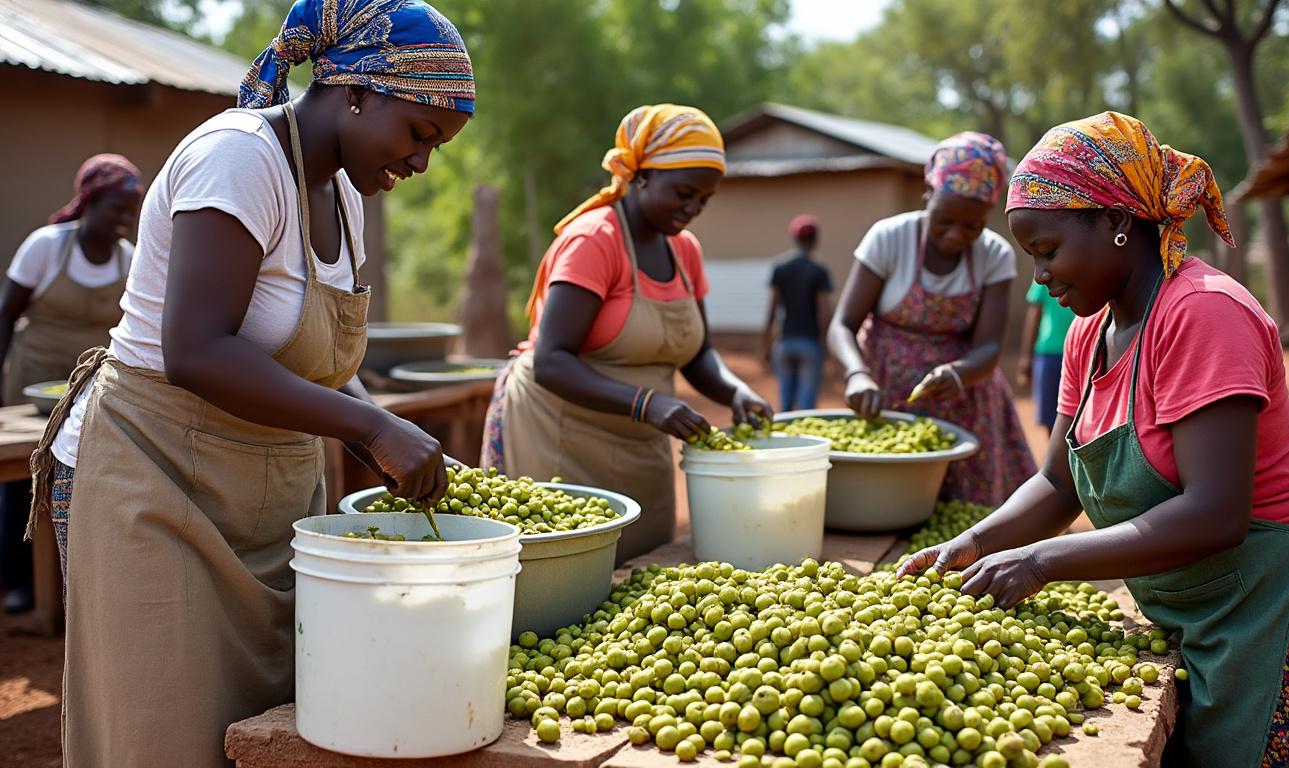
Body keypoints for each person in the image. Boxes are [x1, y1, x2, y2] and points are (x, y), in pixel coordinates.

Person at [28, 1, 476, 763]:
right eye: (419, 133)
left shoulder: (343, 195)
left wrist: (387, 442)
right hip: (157, 476)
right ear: (356, 93)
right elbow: (195, 350)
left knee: (266, 729)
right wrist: (371, 427)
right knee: (163, 733)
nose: (421, 162)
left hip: (270, 498)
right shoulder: (239, 158)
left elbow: (316, 368)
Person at [900, 112, 1289, 768]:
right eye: (1031, 257)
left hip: (1263, 614)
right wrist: (974, 544)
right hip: (1184, 609)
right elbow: (1058, 483)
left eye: (1047, 250)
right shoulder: (1089, 332)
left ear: (1116, 222)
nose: (1040, 275)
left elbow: (1216, 513)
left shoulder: (1203, 313)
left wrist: (1040, 562)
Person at [481, 104, 771, 561]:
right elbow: (551, 360)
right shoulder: (595, 240)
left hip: (642, 437)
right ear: (642, 176)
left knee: (648, 564)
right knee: (566, 569)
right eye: (684, 193)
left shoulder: (685, 251)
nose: (693, 209)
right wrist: (646, 404)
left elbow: (697, 353)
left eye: (704, 199)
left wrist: (735, 391)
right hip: (561, 435)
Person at [829, 132, 1035, 506]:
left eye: (972, 226)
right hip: (886, 391)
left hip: (965, 397)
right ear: (928, 193)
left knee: (966, 504)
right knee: (891, 500)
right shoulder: (889, 238)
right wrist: (857, 374)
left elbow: (990, 345)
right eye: (944, 220)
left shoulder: (994, 255)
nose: (956, 235)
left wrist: (959, 373)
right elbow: (843, 324)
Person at [0, 156, 143, 614]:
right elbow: (6, 315)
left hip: (87, 391)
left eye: (133, 210)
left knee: (78, 481)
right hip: (32, 382)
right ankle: (19, 582)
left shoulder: (128, 258)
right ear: (90, 202)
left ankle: (72, 586)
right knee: (21, 483)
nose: (126, 219)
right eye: (118, 208)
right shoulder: (47, 247)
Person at [763, 214, 832, 411]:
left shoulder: (780, 267)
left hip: (785, 342)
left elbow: (772, 309)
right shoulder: (819, 271)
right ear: (815, 240)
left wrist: (766, 343)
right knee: (806, 404)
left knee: (785, 401)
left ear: (794, 238)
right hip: (810, 343)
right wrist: (825, 343)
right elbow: (824, 312)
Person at [1016, 279, 1074, 438]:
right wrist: (1026, 357)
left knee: (1077, 413)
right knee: (1051, 416)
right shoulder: (1045, 277)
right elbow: (1034, 314)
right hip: (1049, 353)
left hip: (1078, 352)